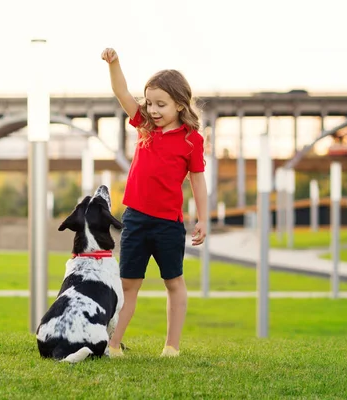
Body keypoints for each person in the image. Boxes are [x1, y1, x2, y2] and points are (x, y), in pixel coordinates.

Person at [101, 48, 208, 357]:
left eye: (161, 104)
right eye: (150, 103)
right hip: (135, 219)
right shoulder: (144, 126)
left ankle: (171, 347)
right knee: (128, 285)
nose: (154, 110)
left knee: (173, 283)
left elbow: (197, 180)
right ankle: (113, 344)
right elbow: (121, 92)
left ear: (180, 104)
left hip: (168, 225)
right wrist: (115, 64)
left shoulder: (192, 140)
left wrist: (203, 218)